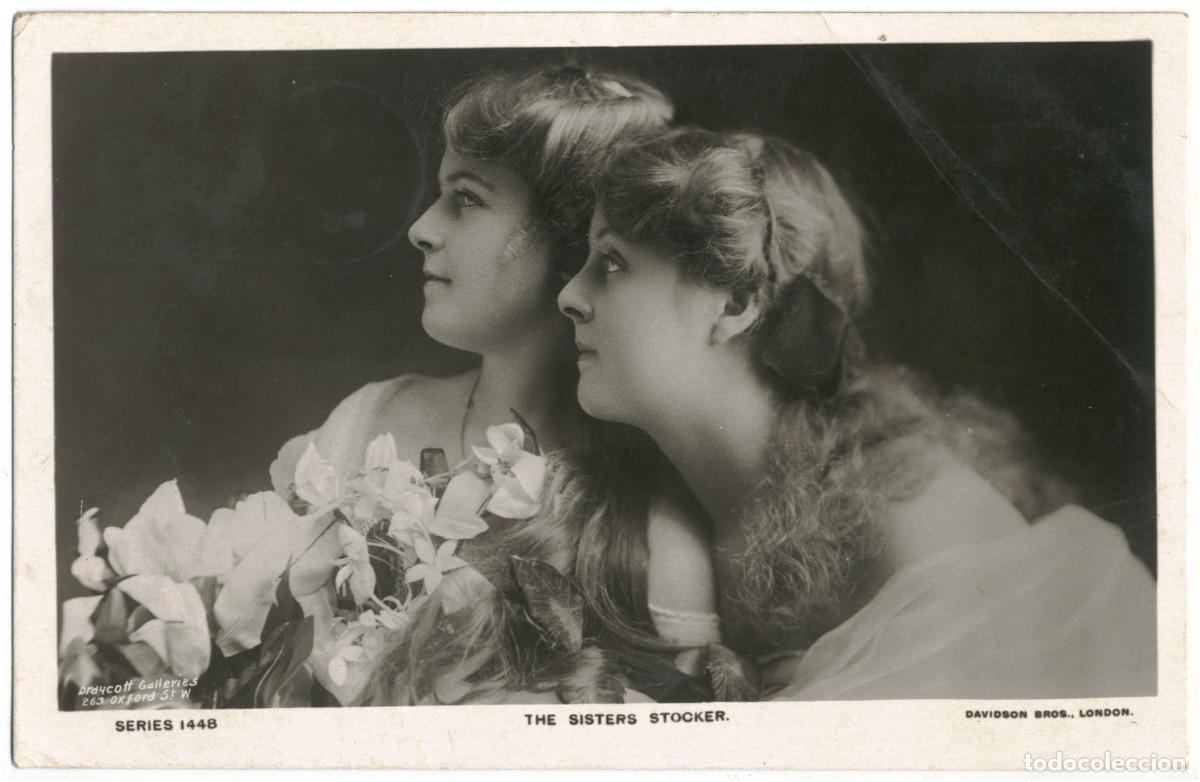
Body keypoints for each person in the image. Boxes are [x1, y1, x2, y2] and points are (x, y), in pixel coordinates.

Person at [555, 127, 1157, 699]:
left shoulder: (919, 524)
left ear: (734, 304)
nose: (570, 296)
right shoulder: (668, 502)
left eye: (611, 263)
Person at [270, 67, 721, 704]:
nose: (422, 227)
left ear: (573, 239)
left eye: (468, 198)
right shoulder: (368, 420)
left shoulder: (653, 535)